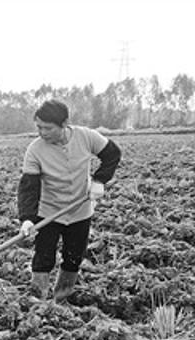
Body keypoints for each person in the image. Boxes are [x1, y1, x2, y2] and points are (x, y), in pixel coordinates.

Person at [17, 99, 121, 301]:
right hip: (49, 212)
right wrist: (28, 219)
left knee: (74, 257)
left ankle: (62, 298)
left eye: (47, 128)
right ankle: (39, 300)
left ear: (64, 124)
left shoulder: (86, 136)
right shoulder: (35, 150)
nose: (42, 132)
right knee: (43, 257)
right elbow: (29, 186)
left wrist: (99, 180)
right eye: (38, 127)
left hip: (80, 210)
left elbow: (113, 154)